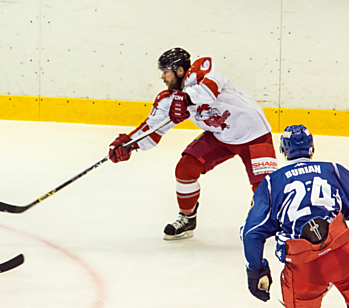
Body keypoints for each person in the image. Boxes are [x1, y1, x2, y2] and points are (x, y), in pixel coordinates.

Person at [108, 47, 276, 240]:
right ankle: (188, 218)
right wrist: (129, 144)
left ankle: (269, 221)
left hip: (253, 132)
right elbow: (151, 128)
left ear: (179, 70)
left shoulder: (202, 71)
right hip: (219, 135)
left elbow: (210, 89)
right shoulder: (169, 99)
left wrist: (187, 99)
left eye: (165, 72)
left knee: (265, 186)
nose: (162, 77)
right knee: (185, 169)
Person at [241, 124, 349, 308]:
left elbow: (251, 233)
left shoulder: (271, 183)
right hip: (344, 254)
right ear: (312, 149)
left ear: (283, 151)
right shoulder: (334, 170)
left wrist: (256, 270)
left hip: (303, 267)